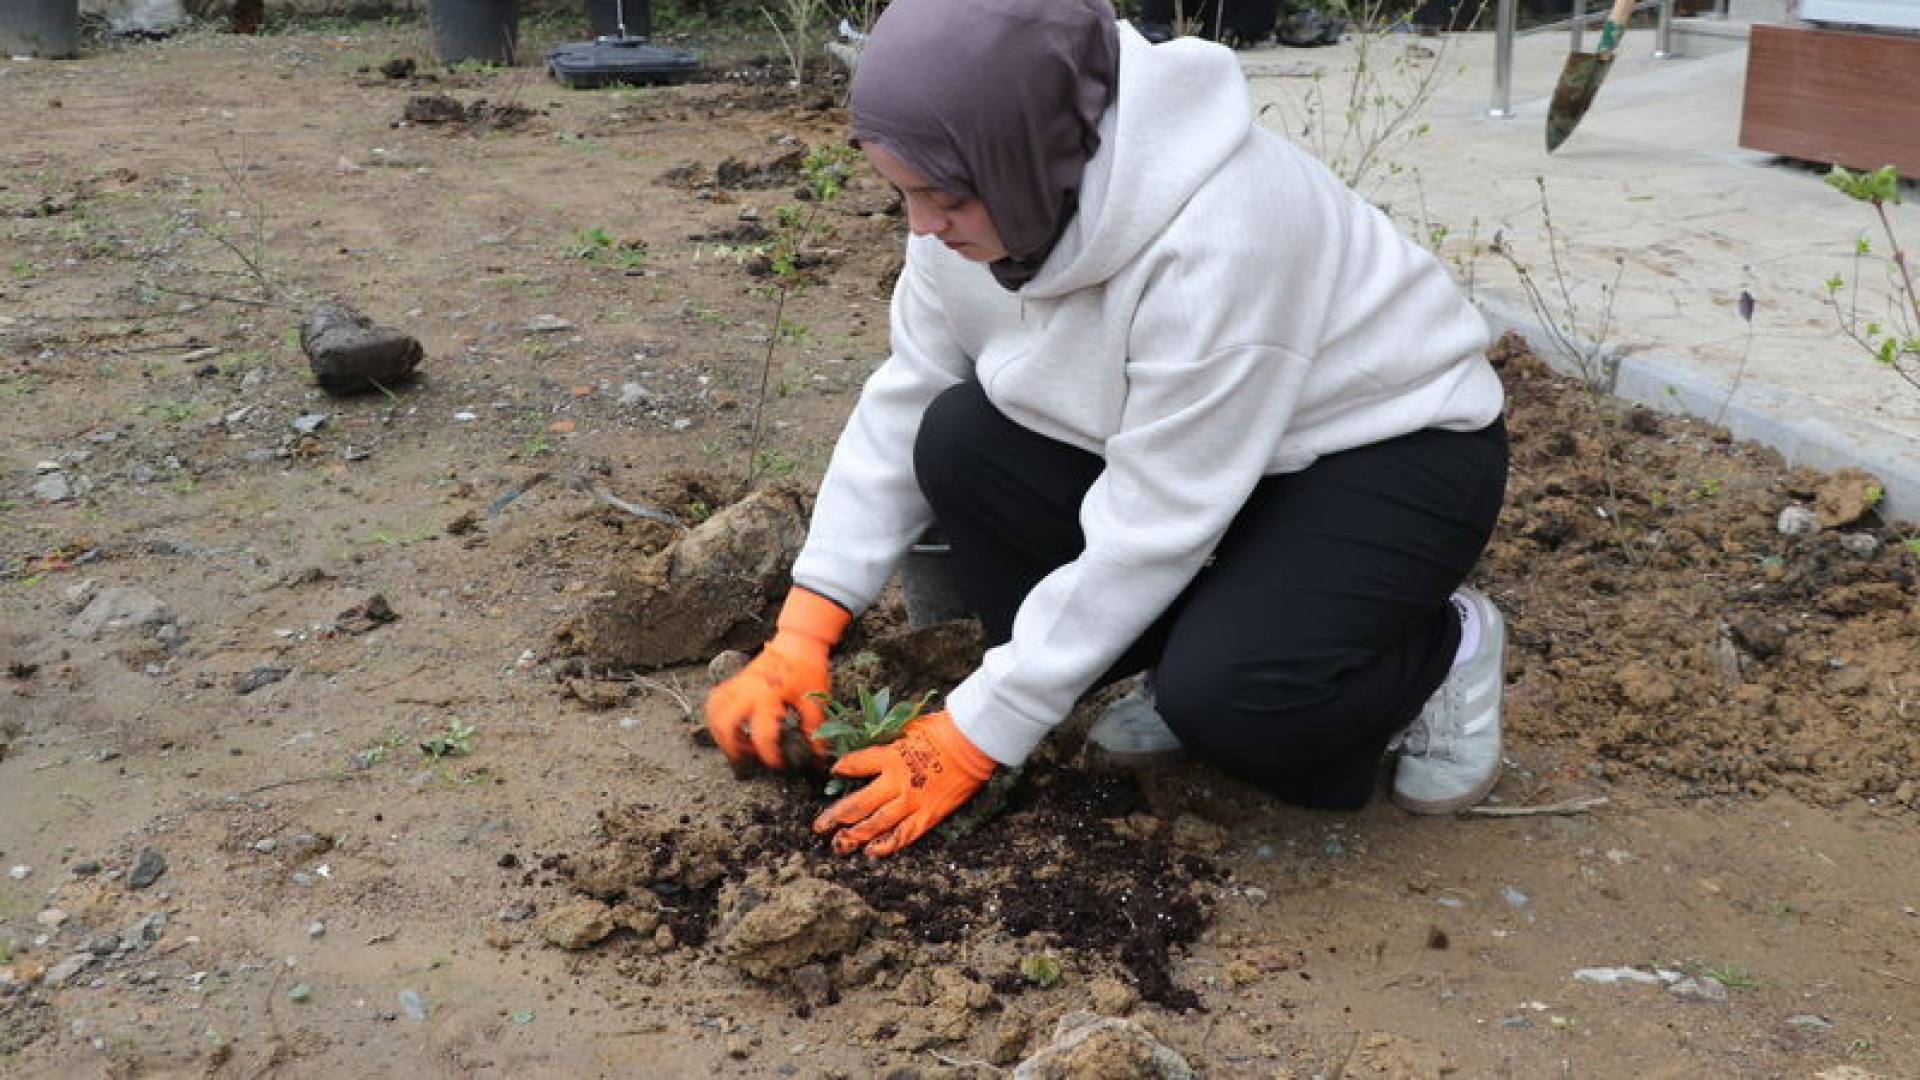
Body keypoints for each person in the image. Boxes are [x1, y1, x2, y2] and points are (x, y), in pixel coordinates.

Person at [703, 0, 1509, 858]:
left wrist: (975, 735)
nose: (921, 225)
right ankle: (1206, 641)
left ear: (1031, 154)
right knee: (960, 437)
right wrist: (805, 628)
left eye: (944, 196)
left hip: (1386, 452)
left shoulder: (1222, 234)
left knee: (1235, 703)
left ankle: (1441, 651)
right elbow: (907, 395)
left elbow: (1159, 518)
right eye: (903, 192)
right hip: (1198, 448)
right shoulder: (982, 185)